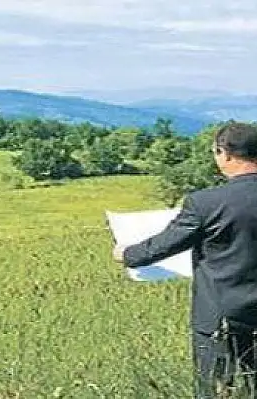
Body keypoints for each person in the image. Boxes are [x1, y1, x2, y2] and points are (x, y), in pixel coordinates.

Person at [113, 121, 257, 398]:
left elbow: (162, 246)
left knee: (215, 390)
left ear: (223, 153)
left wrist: (127, 254)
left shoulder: (205, 203)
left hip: (221, 316)